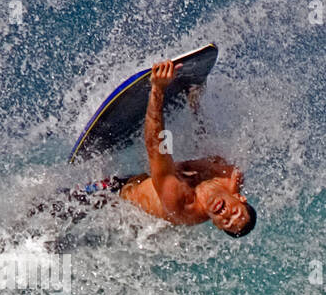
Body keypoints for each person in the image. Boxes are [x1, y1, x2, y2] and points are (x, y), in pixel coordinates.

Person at [62, 59, 255, 237]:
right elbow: (204, 148)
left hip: (116, 198)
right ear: (239, 197)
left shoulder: (183, 204)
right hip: (151, 183)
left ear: (216, 225)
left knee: (56, 208)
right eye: (235, 213)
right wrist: (195, 104)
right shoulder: (229, 175)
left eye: (226, 223)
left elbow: (155, 147)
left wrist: (158, 89)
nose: (226, 215)